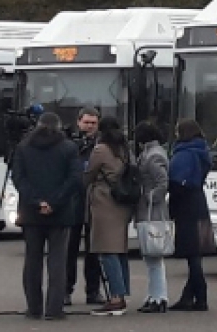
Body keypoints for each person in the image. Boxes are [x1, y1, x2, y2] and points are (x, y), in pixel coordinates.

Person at [10, 112, 84, 320]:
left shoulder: (23, 147)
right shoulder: (68, 148)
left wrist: (36, 201)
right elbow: (75, 179)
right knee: (57, 260)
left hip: (31, 212)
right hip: (60, 212)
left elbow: (18, 178)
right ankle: (54, 308)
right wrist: (55, 202)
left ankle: (34, 308)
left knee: (32, 260)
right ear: (59, 126)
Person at [85, 117, 134, 315]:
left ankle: (115, 298)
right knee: (119, 249)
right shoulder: (126, 150)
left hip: (106, 202)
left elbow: (88, 174)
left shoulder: (101, 150)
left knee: (106, 250)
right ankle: (121, 293)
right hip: (123, 203)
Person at [169, 119, 216, 311]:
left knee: (192, 253)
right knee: (195, 253)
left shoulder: (184, 154)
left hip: (186, 204)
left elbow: (176, 180)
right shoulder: (202, 151)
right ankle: (189, 295)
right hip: (198, 202)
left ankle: (201, 295)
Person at [65, 108, 103, 305]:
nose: (89, 126)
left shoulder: (101, 145)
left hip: (94, 202)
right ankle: (65, 290)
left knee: (93, 250)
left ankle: (93, 290)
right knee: (68, 249)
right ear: (78, 122)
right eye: (86, 122)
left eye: (93, 123)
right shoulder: (68, 144)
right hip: (72, 202)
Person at [134, 121, 171, 313]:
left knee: (154, 257)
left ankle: (159, 298)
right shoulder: (153, 152)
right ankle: (154, 295)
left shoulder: (153, 155)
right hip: (151, 210)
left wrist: (149, 198)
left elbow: (163, 183)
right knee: (151, 258)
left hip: (152, 212)